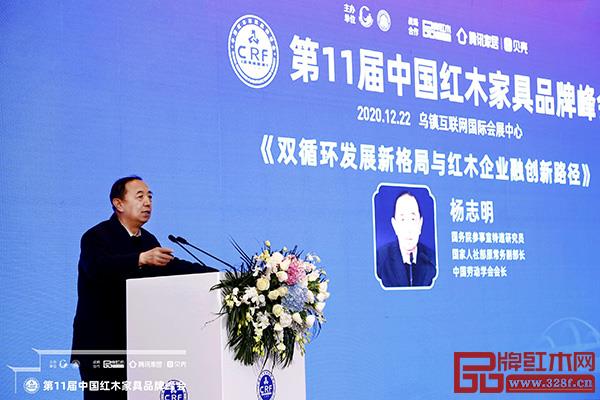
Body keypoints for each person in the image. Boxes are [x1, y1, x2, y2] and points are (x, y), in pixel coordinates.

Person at [71, 176, 217, 399]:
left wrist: (219, 276)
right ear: (118, 203)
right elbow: (98, 267)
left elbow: (172, 267)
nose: (148, 202)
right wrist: (140, 259)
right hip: (101, 345)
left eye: (150, 197)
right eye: (140, 197)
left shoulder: (148, 240)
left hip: (138, 343)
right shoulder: (96, 237)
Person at [376, 191, 436, 288]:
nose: (408, 228)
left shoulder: (433, 260)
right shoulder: (379, 260)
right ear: (394, 225)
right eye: (403, 219)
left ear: (420, 224)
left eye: (412, 219)